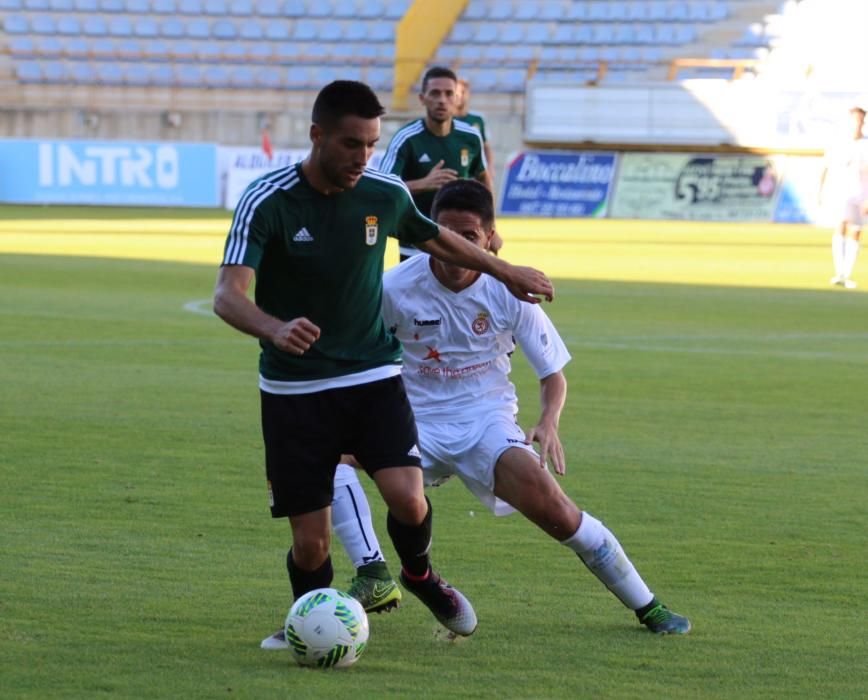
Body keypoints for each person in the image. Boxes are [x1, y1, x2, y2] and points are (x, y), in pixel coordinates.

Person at [212, 80, 555, 648]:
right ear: (317, 135)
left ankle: (417, 573)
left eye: (371, 144)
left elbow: (437, 238)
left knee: (408, 496)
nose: (362, 158)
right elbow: (228, 294)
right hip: (294, 387)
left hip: (373, 374)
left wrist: (505, 270)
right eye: (350, 144)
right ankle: (310, 624)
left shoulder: (383, 192)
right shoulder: (267, 199)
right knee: (312, 544)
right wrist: (274, 328)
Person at [377, 179, 691, 635]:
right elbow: (363, 354)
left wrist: (548, 420)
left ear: (489, 238)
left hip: (485, 421)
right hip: (412, 421)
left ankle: (649, 607)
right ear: (429, 232)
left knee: (557, 510)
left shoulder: (508, 288)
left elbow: (552, 373)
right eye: (445, 233)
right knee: (327, 467)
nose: (455, 246)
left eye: (469, 236)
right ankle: (375, 581)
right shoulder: (395, 286)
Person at [379, 66, 499, 261]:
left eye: (448, 93)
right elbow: (383, 188)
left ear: (457, 98)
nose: (442, 99)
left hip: (462, 242)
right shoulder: (406, 138)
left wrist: (491, 226)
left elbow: (483, 178)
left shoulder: (470, 136)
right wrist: (422, 184)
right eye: (435, 93)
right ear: (422, 98)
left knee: (462, 292)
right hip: (416, 243)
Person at [819, 104, 868, 289]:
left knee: (855, 231)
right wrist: (821, 191)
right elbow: (825, 168)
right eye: (855, 119)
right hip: (840, 192)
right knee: (840, 227)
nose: (857, 123)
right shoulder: (837, 143)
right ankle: (839, 272)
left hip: (861, 195)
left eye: (860, 120)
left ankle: (847, 273)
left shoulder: (866, 144)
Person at [455, 77, 495, 182]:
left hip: (474, 173)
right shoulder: (446, 120)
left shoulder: (478, 119)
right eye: (456, 93)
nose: (460, 96)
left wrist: (490, 167)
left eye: (463, 92)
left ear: (468, 94)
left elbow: (486, 146)